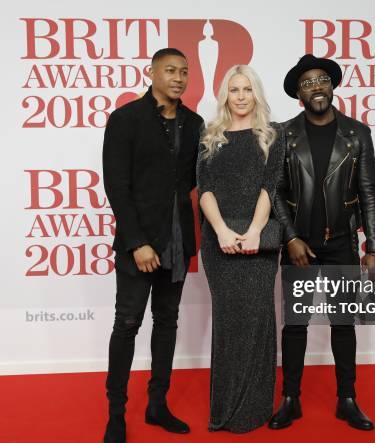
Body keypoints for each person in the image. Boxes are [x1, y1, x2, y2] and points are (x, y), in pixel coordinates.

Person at [270, 54, 375, 431]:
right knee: (295, 325)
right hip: (299, 245)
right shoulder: (283, 135)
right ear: (297, 94)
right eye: (307, 83)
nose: (316, 87)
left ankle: (347, 399)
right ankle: (291, 399)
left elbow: (368, 192)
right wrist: (290, 238)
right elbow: (276, 192)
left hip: (341, 244)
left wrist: (374, 247)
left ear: (332, 86)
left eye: (322, 80)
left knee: (342, 324)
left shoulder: (357, 133)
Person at [102, 48, 203, 443]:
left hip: (179, 242)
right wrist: (137, 242)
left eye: (184, 72)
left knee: (167, 323)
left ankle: (157, 405)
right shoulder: (126, 119)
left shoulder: (195, 123)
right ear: (152, 73)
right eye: (171, 70)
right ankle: (116, 415)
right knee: (126, 325)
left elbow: (192, 180)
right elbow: (117, 186)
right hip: (138, 246)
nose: (179, 78)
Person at [197, 65, 285, 433]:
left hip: (257, 239)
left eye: (247, 89)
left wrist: (252, 232)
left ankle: (253, 407)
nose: (241, 96)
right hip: (218, 241)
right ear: (225, 95)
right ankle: (225, 408)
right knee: (229, 323)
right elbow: (205, 189)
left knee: (257, 321)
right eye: (234, 89)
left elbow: (271, 186)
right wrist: (220, 231)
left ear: (256, 93)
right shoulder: (209, 135)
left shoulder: (273, 135)